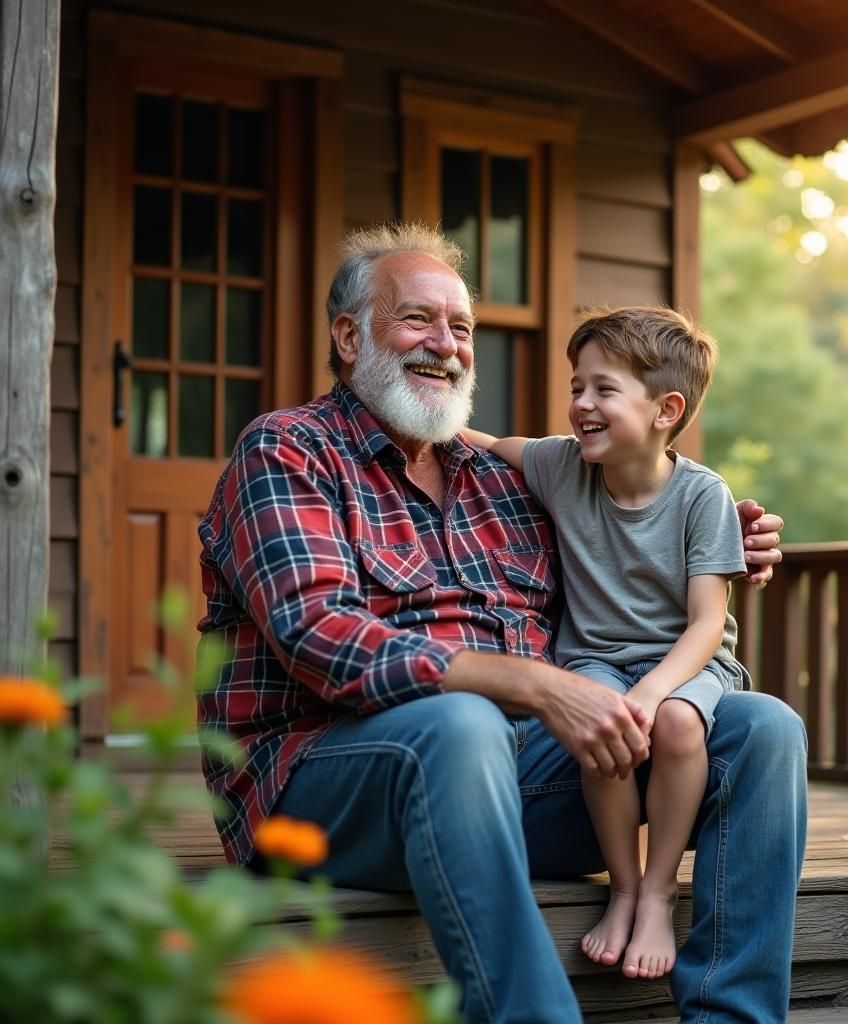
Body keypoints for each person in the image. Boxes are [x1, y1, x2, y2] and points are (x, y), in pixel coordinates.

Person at [197, 222, 807, 1024]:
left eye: (462, 328)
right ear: (348, 337)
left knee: (762, 731)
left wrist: (723, 537)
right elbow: (319, 635)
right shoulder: (287, 452)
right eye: (418, 319)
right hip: (321, 785)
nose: (446, 345)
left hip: (516, 775)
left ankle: (732, 1017)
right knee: (461, 725)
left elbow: (625, 551)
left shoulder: (505, 481)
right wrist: (531, 684)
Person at [462, 306, 751, 982]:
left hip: (686, 660)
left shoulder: (702, 497)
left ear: (665, 409)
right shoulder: (561, 466)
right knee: (598, 716)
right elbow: (485, 441)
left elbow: (708, 622)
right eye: (576, 387)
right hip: (593, 660)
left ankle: (658, 889)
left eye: (603, 390)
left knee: (678, 725)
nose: (581, 404)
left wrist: (655, 690)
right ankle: (622, 886)